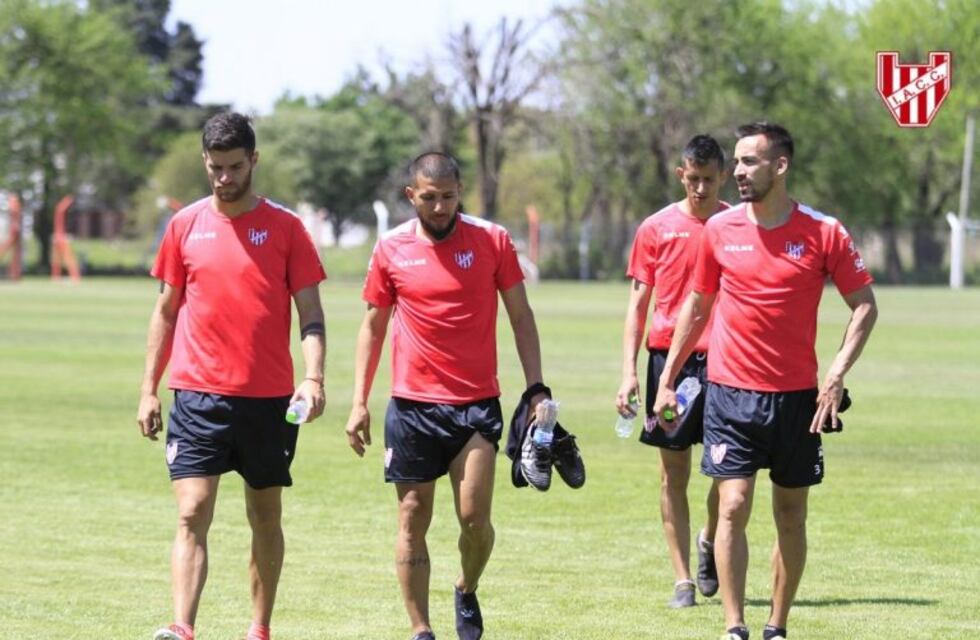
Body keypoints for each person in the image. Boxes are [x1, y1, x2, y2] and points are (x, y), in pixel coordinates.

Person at [654, 122, 877, 640]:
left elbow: (864, 306)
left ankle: (777, 624)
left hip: (799, 399)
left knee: (791, 514)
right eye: (737, 162)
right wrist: (667, 378)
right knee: (731, 505)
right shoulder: (720, 231)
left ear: (780, 166)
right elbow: (697, 305)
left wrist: (836, 374)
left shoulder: (824, 233)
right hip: (729, 392)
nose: (738, 172)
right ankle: (735, 625)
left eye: (749, 162)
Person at [136, 112, 327, 640]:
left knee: (265, 515)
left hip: (267, 400)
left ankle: (258, 629)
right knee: (191, 511)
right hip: (197, 394)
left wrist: (314, 377)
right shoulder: (184, 226)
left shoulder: (287, 229)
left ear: (254, 161)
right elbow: (166, 311)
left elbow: (311, 313)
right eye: (216, 167)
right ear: (205, 162)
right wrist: (149, 389)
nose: (224, 177)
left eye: (235, 166)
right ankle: (182, 628)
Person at [344, 151, 547, 640]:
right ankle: (421, 629)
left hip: (475, 405)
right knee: (412, 517)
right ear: (411, 195)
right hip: (412, 406)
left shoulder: (492, 240)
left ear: (461, 193)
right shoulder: (390, 248)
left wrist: (537, 388)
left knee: (475, 520)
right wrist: (358, 401)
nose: (439, 208)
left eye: (448, 197)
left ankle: (466, 585)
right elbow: (372, 329)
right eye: (429, 198)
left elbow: (521, 316)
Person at [616, 134, 729, 608]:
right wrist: (629, 372)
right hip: (670, 364)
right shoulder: (656, 227)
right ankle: (682, 578)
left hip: (727, 363)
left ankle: (708, 539)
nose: (700, 188)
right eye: (693, 178)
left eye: (709, 179)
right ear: (681, 174)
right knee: (673, 474)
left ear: (722, 176)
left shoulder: (736, 225)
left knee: (728, 475)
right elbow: (637, 306)